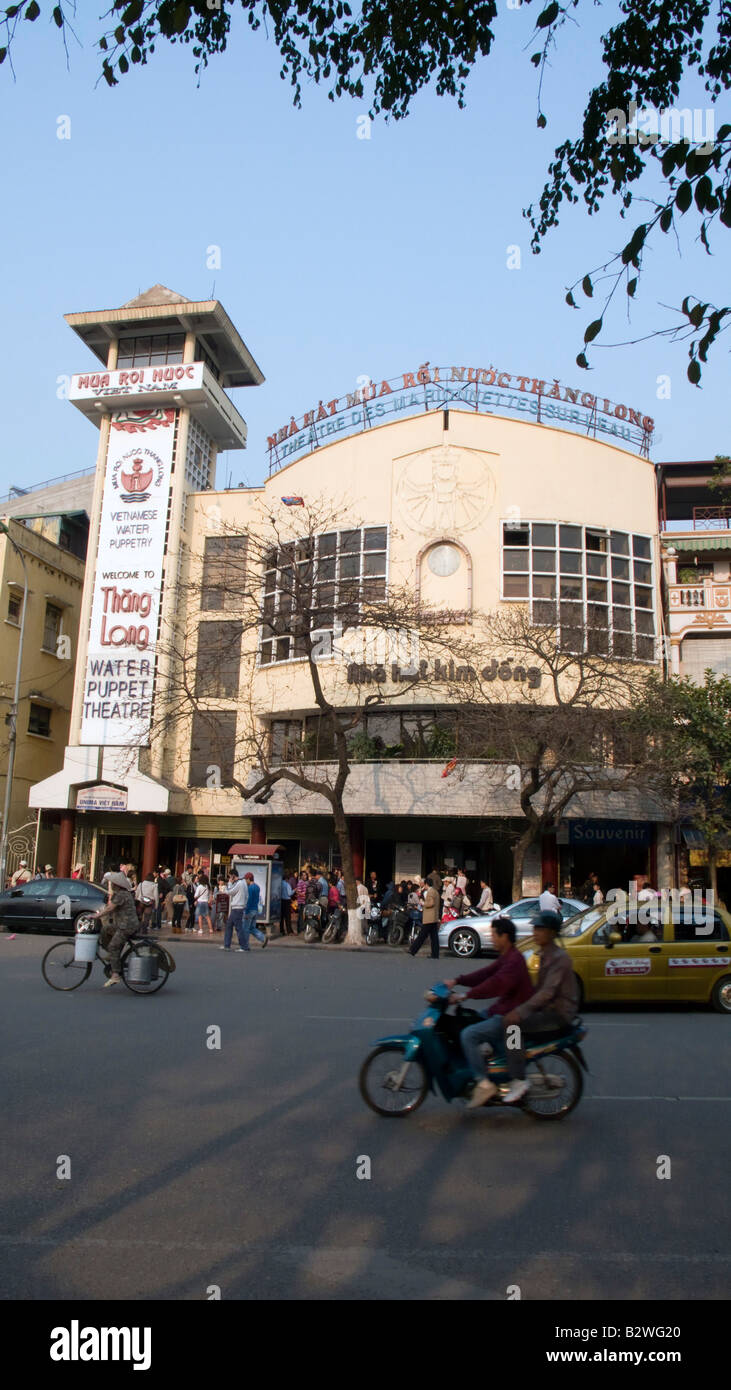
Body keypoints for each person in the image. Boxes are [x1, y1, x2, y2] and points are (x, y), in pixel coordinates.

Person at [445, 917, 535, 1108]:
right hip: (502, 1009)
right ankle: (492, 1068)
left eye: (494, 935)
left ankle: (483, 1083)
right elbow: (485, 974)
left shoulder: (514, 961)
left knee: (468, 1035)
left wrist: (465, 995)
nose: (492, 938)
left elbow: (494, 985)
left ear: (505, 937)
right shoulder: (507, 956)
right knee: (470, 1020)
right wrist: (457, 980)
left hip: (511, 1015)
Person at [501, 911, 578, 1105]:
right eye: (535, 928)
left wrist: (520, 1011)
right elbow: (539, 990)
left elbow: (547, 993)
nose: (535, 932)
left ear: (551, 932)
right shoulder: (546, 954)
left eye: (540, 929)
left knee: (512, 1028)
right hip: (548, 1009)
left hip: (558, 1014)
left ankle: (518, 1080)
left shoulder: (559, 958)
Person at [95, 864, 139, 988]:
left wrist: (96, 916)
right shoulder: (120, 894)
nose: (112, 885)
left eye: (113, 883)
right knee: (105, 929)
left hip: (127, 926)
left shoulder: (121, 895)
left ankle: (115, 975)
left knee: (114, 946)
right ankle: (112, 955)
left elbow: (110, 908)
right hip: (122, 924)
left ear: (117, 885)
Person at [408, 873, 441, 959]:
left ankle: (413, 949)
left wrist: (423, 903)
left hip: (429, 917)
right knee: (434, 937)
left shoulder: (430, 892)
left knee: (422, 935)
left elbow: (430, 903)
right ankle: (435, 954)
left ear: (426, 884)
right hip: (434, 917)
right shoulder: (436, 891)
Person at [241, 872, 268, 950]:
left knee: (245, 929)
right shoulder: (257, 887)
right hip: (255, 910)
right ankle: (263, 938)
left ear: (249, 879)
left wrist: (246, 911)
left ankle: (245, 946)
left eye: (246, 879)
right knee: (252, 928)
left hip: (249, 910)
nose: (245, 881)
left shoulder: (250, 888)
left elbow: (248, 900)